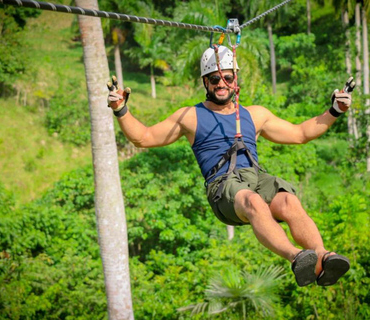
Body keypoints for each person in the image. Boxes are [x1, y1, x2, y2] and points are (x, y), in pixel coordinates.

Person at [107, 45, 351, 287]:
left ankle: (321, 257)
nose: (221, 83)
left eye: (227, 77)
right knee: (253, 201)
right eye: (215, 78)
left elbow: (300, 133)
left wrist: (335, 111)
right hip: (223, 187)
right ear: (206, 82)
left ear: (235, 80)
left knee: (289, 200)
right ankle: (296, 257)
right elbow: (144, 137)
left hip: (254, 177)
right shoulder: (191, 116)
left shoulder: (255, 115)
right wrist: (121, 110)